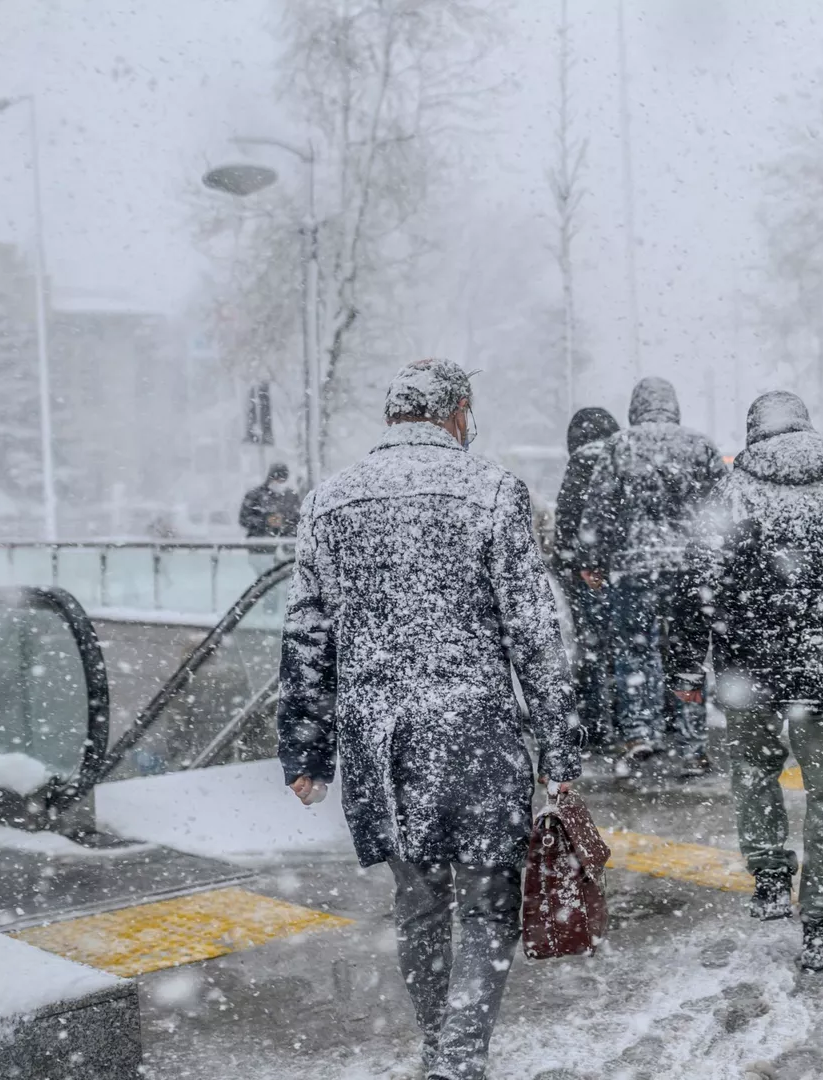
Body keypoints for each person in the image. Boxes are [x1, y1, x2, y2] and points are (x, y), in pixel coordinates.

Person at [278, 358, 578, 1080]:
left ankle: (436, 1042)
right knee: (486, 901)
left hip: (379, 737)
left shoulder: (329, 500)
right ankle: (462, 1055)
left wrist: (306, 753)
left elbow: (306, 631)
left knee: (416, 900)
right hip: (473, 731)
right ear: (458, 412)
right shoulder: (494, 490)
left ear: (394, 415)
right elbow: (534, 632)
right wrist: (559, 753)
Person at [691, 391, 823, 971]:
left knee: (753, 770)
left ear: (753, 433)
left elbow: (699, 582)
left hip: (753, 672)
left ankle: (770, 877)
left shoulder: (730, 489)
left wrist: (686, 663)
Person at [583, 377, 727, 776]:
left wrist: (593, 558)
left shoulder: (620, 445)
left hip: (634, 567)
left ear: (636, 408)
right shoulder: (700, 445)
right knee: (688, 655)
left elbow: (599, 507)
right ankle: (692, 742)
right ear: (674, 406)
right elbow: (720, 508)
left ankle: (640, 732)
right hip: (689, 569)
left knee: (636, 649)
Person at [553, 406, 622, 751]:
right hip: (622, 571)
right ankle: (630, 724)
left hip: (585, 572)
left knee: (590, 648)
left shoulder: (580, 462)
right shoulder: (621, 458)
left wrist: (570, 565)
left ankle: (594, 724)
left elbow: (566, 520)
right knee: (627, 647)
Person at [238, 463, 302, 538]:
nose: (279, 483)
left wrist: (285, 521)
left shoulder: (291, 496)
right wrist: (265, 521)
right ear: (270, 478)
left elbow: (299, 519)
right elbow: (244, 519)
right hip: (260, 542)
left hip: (288, 543)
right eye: (276, 479)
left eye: (282, 480)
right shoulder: (255, 495)